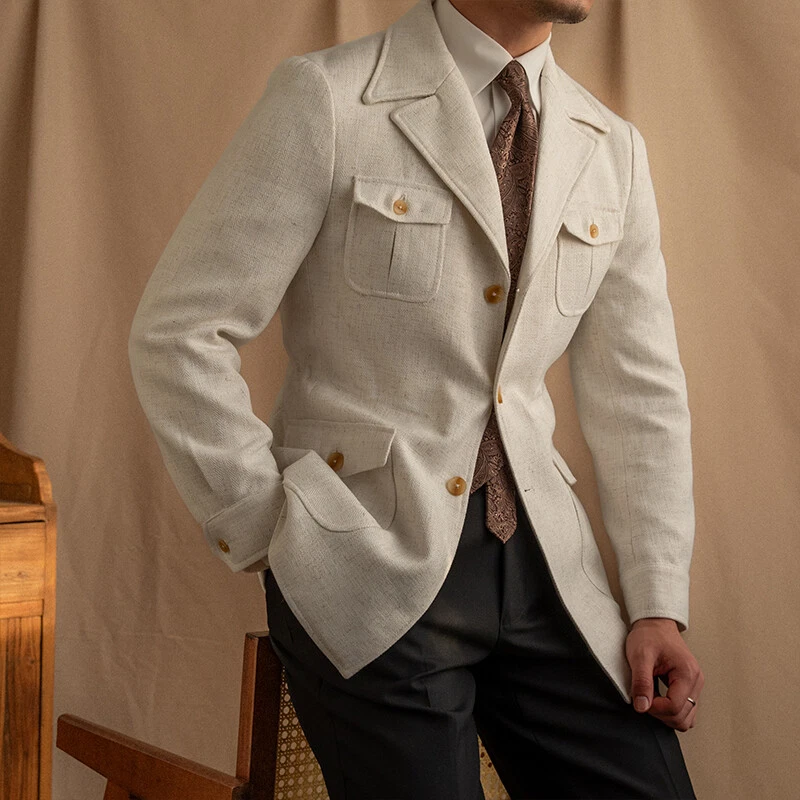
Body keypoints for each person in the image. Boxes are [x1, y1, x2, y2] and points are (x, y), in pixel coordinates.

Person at [129, 0, 704, 796]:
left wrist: (656, 604)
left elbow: (642, 394)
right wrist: (274, 531)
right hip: (367, 555)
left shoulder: (612, 148)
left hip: (549, 569)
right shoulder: (328, 98)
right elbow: (180, 331)